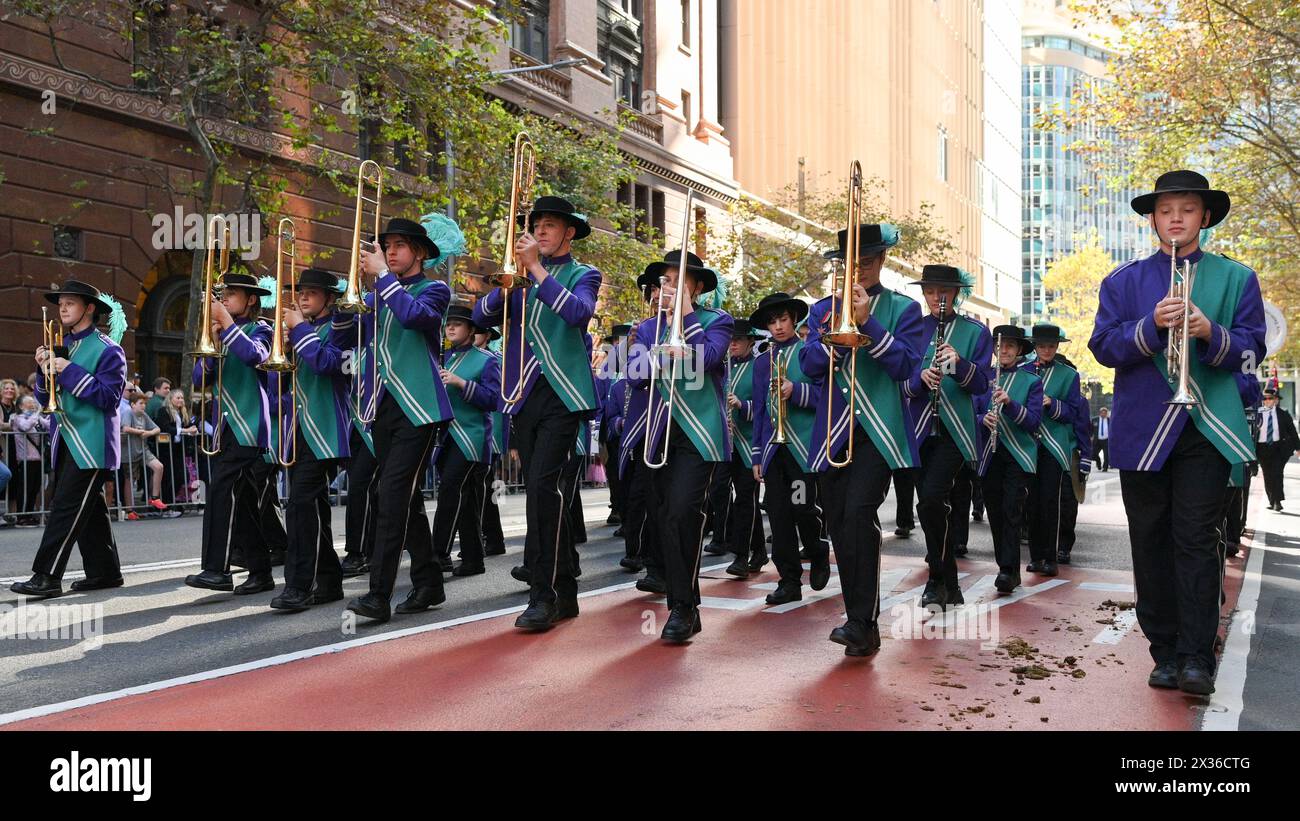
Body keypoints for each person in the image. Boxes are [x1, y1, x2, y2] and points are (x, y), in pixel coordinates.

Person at [1089, 169, 1265, 695]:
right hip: (1144, 430)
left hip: (1204, 428)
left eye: (1187, 210)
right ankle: (1163, 650)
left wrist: (1213, 333)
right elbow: (1102, 347)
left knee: (1195, 539)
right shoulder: (1123, 281)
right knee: (1150, 541)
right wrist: (1150, 328)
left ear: (1204, 218)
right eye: (1165, 211)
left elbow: (1253, 353)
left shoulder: (1237, 279)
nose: (1175, 219)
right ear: (1151, 221)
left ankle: (1196, 655)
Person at [473, 196, 602, 631]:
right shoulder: (519, 280)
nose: (540, 232)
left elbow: (577, 313)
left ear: (569, 233)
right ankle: (564, 591)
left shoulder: (584, 274)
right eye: (536, 226)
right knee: (544, 493)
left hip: (564, 395)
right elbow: (480, 315)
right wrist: (508, 280)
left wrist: (538, 271)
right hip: (523, 395)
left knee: (544, 489)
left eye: (550, 226)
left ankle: (542, 596)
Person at [801, 223, 924, 656]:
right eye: (852, 263)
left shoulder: (904, 310)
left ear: (882, 261)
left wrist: (868, 322)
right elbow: (808, 365)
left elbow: (906, 367)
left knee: (857, 514)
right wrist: (833, 342)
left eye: (867, 262)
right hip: (832, 430)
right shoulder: (821, 310)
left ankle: (861, 622)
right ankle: (859, 619)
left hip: (878, 429)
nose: (859, 270)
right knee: (837, 522)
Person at [344, 218, 454, 623]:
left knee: (389, 495)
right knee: (403, 499)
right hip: (385, 404)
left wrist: (382, 281)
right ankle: (428, 583)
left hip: (421, 407)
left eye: (400, 246)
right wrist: (353, 290)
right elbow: (347, 334)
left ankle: (378, 595)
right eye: (386, 246)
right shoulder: (379, 292)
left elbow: (415, 318)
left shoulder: (435, 290)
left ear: (420, 253)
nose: (390, 252)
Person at [627, 250, 733, 642]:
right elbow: (634, 377)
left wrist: (686, 317)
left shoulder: (716, 320)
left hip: (699, 434)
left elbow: (705, 360)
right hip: (658, 432)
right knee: (663, 518)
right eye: (664, 281)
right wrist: (655, 354)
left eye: (678, 281)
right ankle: (683, 604)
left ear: (698, 287)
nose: (667, 287)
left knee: (682, 513)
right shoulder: (647, 327)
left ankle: (683, 608)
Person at [11, 280, 126, 598]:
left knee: (65, 507)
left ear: (89, 308)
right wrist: (43, 371)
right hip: (65, 438)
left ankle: (47, 576)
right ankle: (105, 572)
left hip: (92, 444)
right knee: (90, 510)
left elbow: (108, 398)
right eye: (61, 302)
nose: (62, 307)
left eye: (71, 302)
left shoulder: (108, 350)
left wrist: (69, 370)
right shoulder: (63, 345)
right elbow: (48, 397)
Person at [183, 267, 280, 596]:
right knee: (246, 503)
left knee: (223, 492)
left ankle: (217, 570)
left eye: (231, 296)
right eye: (221, 296)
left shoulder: (262, 329)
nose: (223, 300)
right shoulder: (220, 332)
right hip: (225, 426)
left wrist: (224, 324)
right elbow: (199, 380)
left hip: (250, 424)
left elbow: (255, 356)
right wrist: (212, 345)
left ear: (251, 300)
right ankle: (261, 570)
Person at [902, 265, 993, 607]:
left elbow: (982, 383)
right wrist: (918, 379)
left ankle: (936, 577)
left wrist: (957, 364)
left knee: (930, 499)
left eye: (943, 291)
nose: (935, 298)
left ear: (955, 293)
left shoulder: (975, 331)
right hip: (919, 426)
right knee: (930, 505)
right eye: (929, 291)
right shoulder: (913, 329)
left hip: (955, 431)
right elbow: (900, 376)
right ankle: (949, 580)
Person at [268, 268, 356, 611]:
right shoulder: (305, 330)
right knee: (312, 506)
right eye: (301, 291)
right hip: (302, 429)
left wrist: (299, 330)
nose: (303, 296)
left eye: (312, 292)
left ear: (330, 298)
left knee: (301, 505)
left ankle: (299, 587)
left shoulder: (341, 325)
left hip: (329, 431)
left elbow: (325, 362)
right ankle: (330, 581)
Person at [750, 291, 829, 606]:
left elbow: (827, 397)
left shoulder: (809, 352)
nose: (779, 326)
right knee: (779, 516)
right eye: (772, 322)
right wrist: (757, 454)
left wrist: (797, 391)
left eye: (783, 319)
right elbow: (759, 409)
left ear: (794, 320)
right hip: (773, 451)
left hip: (802, 450)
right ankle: (789, 581)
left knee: (803, 509)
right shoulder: (761, 362)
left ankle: (817, 550)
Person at [430, 305, 499, 578]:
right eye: (449, 324)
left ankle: (439, 554)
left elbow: (494, 400)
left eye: (458, 324)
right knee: (467, 499)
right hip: (446, 437)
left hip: (472, 437)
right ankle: (473, 558)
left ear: (472, 330)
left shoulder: (487, 359)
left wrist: (460, 383)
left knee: (450, 490)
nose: (450, 328)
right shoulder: (441, 358)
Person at [977, 326, 1043, 593]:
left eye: (1010, 347)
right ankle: (1003, 565)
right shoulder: (983, 378)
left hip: (1018, 454)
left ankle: (1009, 571)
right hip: (989, 454)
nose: (1004, 351)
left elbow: (1034, 421)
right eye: (1000, 346)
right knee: (994, 511)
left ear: (1018, 351)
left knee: (1011, 510)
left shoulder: (1031, 381)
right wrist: (983, 419)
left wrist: (1010, 404)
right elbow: (973, 412)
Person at [1022, 324, 1084, 578]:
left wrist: (1052, 403)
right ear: (1035, 347)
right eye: (1042, 346)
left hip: (1054, 444)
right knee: (1031, 501)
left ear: (1057, 347)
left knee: (1050, 501)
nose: (1046, 350)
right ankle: (1035, 557)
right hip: (1027, 443)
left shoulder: (1069, 375)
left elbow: (1073, 412)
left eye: (1051, 346)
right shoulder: (1022, 371)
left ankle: (1050, 557)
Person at [713, 319, 767, 577]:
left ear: (750, 342)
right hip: (727, 444)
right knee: (728, 495)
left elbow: (769, 407)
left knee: (745, 500)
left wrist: (742, 406)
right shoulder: (723, 369)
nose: (732, 344)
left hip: (750, 446)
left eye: (738, 340)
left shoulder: (759, 367)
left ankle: (741, 556)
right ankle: (759, 551)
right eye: (730, 340)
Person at [120, 392, 168, 511]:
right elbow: (125, 428)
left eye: (145, 403)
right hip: (129, 451)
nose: (143, 406)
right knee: (129, 479)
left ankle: (155, 497)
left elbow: (157, 428)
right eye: (141, 403)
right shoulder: (128, 413)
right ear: (133, 405)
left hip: (143, 450)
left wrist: (149, 433)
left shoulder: (144, 415)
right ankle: (129, 509)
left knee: (159, 467)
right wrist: (139, 432)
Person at [9, 395, 49, 526]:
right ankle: (21, 516)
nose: (33, 405)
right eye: (29, 403)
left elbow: (48, 425)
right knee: (25, 488)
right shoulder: (17, 418)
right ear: (21, 406)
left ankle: (29, 514)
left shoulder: (35, 418)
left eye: (33, 403)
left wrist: (52, 415)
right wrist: (37, 412)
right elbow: (25, 427)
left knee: (34, 488)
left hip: (37, 459)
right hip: (26, 460)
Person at [1256, 388, 1298, 511]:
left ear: (1275, 400)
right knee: (1267, 475)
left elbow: (1292, 431)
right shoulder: (1258, 413)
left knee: (1277, 474)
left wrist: (1298, 447)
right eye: (1265, 398)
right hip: (1262, 448)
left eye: (1270, 398)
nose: (1267, 401)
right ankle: (1272, 500)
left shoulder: (1283, 414)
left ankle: (1277, 501)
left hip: (1279, 449)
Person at [1092, 406, 1111, 471]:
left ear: (1106, 413)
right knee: (1093, 454)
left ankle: (1105, 468)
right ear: (1100, 413)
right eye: (1102, 413)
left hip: (1106, 440)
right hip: (1097, 440)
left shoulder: (1109, 420)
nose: (1103, 414)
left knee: (1106, 455)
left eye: (1105, 413)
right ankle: (1098, 462)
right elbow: (1090, 429)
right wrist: (1091, 436)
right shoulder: (1094, 420)